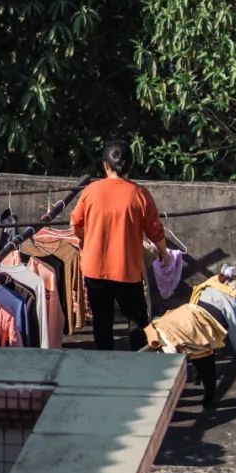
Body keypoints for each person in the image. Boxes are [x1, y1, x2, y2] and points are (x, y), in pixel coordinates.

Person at [71, 138, 170, 351]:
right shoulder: (139, 194)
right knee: (138, 319)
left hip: (94, 269)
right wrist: (164, 253)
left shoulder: (91, 191)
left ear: (105, 165)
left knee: (102, 321)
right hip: (127, 270)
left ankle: (105, 364)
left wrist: (88, 240)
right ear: (130, 166)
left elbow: (76, 225)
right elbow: (155, 230)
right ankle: (139, 360)